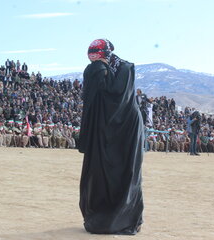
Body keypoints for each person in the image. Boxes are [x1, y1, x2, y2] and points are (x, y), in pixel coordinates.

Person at [79, 39, 143, 234]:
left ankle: (123, 218)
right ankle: (101, 214)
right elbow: (92, 98)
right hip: (104, 128)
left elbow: (117, 99)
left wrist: (99, 70)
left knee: (124, 171)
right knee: (100, 170)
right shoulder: (97, 68)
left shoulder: (123, 69)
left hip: (125, 128)